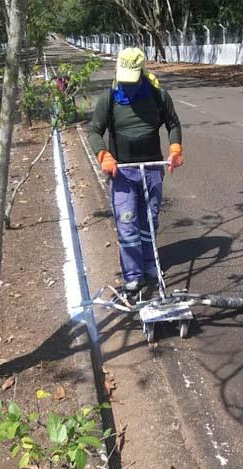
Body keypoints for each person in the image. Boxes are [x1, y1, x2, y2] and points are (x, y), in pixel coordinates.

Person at [87, 47, 184, 293]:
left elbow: (173, 123)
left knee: (149, 220)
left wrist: (175, 149)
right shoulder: (109, 99)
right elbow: (94, 132)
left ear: (141, 72)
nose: (128, 86)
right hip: (122, 171)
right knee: (127, 220)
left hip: (152, 168)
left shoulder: (158, 95)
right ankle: (133, 274)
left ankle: (151, 265)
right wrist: (103, 155)